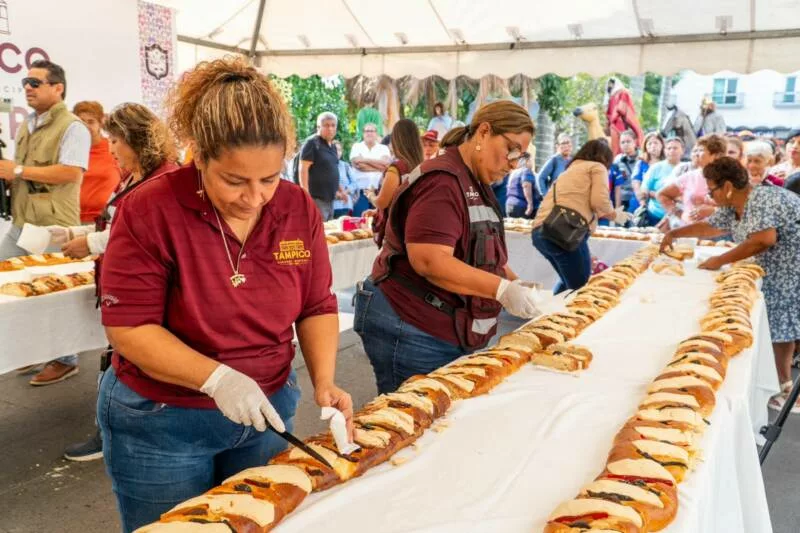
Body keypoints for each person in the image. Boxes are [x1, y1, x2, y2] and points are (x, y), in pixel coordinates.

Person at [96, 58, 353, 531]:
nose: (254, 198)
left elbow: (317, 304)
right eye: (234, 181)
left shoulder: (297, 207)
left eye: (269, 179)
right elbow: (129, 327)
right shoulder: (150, 208)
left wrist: (325, 380)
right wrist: (217, 379)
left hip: (268, 409)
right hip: (163, 420)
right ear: (198, 156)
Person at [354, 101, 539, 394]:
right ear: (484, 132)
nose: (514, 163)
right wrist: (501, 290)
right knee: (414, 415)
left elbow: (483, 250)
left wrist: (516, 284)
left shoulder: (475, 179)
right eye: (512, 150)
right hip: (412, 323)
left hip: (443, 324)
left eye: (521, 156)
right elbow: (430, 260)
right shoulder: (443, 181)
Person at [49, 103, 180, 462]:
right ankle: (112, 428)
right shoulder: (133, 176)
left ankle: (117, 432)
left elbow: (143, 232)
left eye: (116, 140)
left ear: (137, 140)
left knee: (132, 359)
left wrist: (90, 243)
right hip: (120, 281)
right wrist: (74, 233)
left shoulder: (164, 179)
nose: (110, 148)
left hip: (145, 287)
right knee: (119, 357)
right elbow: (115, 222)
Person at [661, 157, 800, 413]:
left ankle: (786, 389)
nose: (709, 195)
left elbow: (763, 239)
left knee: (781, 326)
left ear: (727, 186)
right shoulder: (733, 204)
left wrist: (720, 260)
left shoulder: (761, 199)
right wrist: (674, 233)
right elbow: (711, 227)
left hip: (791, 266)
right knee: (774, 323)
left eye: (711, 189)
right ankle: (777, 383)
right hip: (776, 266)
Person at [0, 60, 90, 385]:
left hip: (53, 225)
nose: (27, 87)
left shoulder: (73, 127)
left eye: (35, 82)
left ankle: (65, 359)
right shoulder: (28, 123)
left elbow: (71, 172)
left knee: (55, 293)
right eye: (26, 82)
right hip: (23, 222)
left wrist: (18, 171)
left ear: (58, 88)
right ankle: (35, 351)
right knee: (14, 284)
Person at [532, 139, 631, 293]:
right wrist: (614, 215)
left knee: (568, 282)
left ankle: (552, 308)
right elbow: (599, 201)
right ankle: (559, 309)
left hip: (541, 231)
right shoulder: (597, 167)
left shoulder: (570, 169)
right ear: (605, 158)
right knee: (579, 285)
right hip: (564, 231)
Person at [365, 118, 424, 236]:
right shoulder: (422, 166)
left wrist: (371, 195)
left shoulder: (397, 168)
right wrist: (377, 212)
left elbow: (382, 202)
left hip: (397, 228)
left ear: (397, 140)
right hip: (416, 223)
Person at [657, 134, 726, 227]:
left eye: (701, 150)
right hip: (689, 230)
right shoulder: (690, 177)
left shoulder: (730, 178)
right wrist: (680, 214)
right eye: (695, 150)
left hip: (720, 232)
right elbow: (662, 195)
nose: (696, 154)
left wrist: (713, 210)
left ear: (717, 155)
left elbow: (739, 208)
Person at [73, 101, 120, 224]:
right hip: (73, 219)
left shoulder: (113, 147)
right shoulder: (70, 150)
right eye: (81, 122)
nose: (86, 126)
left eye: (91, 122)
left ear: (100, 123)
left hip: (105, 221)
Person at [300, 111, 340, 221]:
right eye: (326, 125)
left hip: (330, 198)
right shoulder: (312, 143)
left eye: (333, 125)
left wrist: (339, 190)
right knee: (319, 228)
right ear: (318, 127)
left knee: (329, 229)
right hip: (316, 198)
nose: (330, 128)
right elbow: (303, 169)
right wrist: (306, 194)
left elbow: (333, 169)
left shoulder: (333, 146)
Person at [640, 137, 685, 226]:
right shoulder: (656, 168)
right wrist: (663, 196)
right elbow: (644, 189)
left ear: (682, 150)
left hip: (680, 215)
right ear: (664, 151)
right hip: (655, 214)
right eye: (669, 148)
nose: (672, 151)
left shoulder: (687, 168)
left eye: (675, 148)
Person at [349, 122, 391, 216]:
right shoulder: (357, 146)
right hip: (360, 192)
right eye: (367, 131)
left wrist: (364, 159)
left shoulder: (383, 148)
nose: (369, 133)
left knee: (377, 220)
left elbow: (386, 165)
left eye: (372, 131)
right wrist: (379, 166)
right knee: (360, 219)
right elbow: (359, 165)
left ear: (376, 133)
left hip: (378, 191)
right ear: (363, 133)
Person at [604, 77, 644, 155]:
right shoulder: (610, 97)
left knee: (622, 140)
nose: (610, 86)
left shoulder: (623, 93)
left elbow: (622, 108)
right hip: (612, 123)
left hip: (620, 122)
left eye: (611, 84)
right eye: (609, 84)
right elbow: (607, 112)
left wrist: (615, 115)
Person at [631, 132, 666, 212]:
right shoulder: (641, 163)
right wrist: (642, 201)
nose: (653, 146)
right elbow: (636, 183)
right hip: (641, 203)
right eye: (649, 144)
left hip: (661, 205)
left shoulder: (667, 163)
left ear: (662, 145)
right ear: (645, 147)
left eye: (655, 143)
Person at [609, 130, 640, 212]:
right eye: (622, 142)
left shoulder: (643, 157)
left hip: (639, 198)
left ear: (635, 142)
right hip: (622, 199)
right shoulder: (617, 159)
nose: (625, 144)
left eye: (628, 141)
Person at [536, 133, 572, 197]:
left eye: (568, 142)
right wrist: (546, 196)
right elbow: (540, 178)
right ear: (557, 146)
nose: (567, 146)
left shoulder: (573, 161)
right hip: (556, 199)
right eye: (563, 143)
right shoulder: (554, 160)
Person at [332, 141, 358, 218]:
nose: (338, 152)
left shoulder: (345, 166)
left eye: (339, 150)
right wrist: (337, 194)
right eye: (335, 149)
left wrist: (345, 192)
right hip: (331, 205)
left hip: (345, 205)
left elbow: (355, 184)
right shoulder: (324, 166)